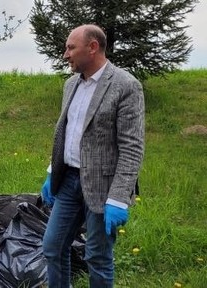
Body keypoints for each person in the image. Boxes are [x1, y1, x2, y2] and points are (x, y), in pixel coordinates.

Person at [40, 24, 145, 287]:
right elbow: (66, 133)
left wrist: (119, 198)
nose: (66, 54)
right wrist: (53, 171)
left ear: (93, 47)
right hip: (68, 183)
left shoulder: (125, 85)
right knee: (52, 247)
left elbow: (132, 146)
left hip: (103, 188)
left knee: (97, 257)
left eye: (71, 48)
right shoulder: (70, 85)